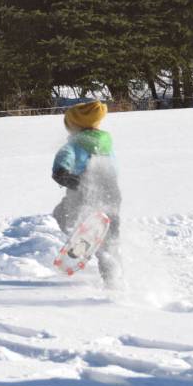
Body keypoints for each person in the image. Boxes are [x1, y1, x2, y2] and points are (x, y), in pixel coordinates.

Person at [51, 100, 122, 287]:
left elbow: (62, 163)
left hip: (83, 192)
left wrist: (62, 174)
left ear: (73, 126)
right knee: (111, 234)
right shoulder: (106, 141)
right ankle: (113, 274)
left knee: (61, 214)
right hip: (112, 192)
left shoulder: (74, 144)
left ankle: (83, 242)